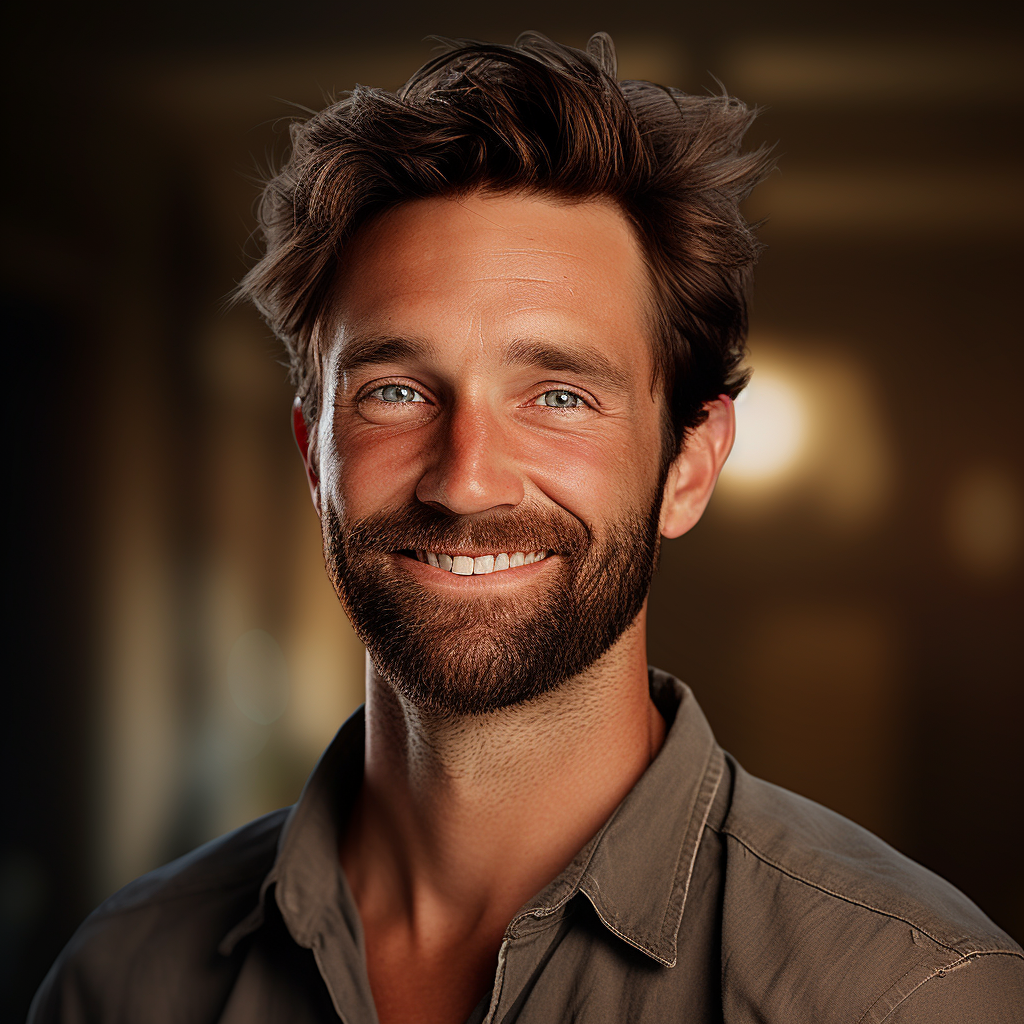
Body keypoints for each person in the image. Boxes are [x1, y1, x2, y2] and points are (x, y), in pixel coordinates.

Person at [30, 32, 1022, 1024]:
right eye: (393, 390)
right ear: (313, 452)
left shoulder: (909, 995)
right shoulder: (122, 980)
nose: (464, 480)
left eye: (557, 394)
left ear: (689, 464)